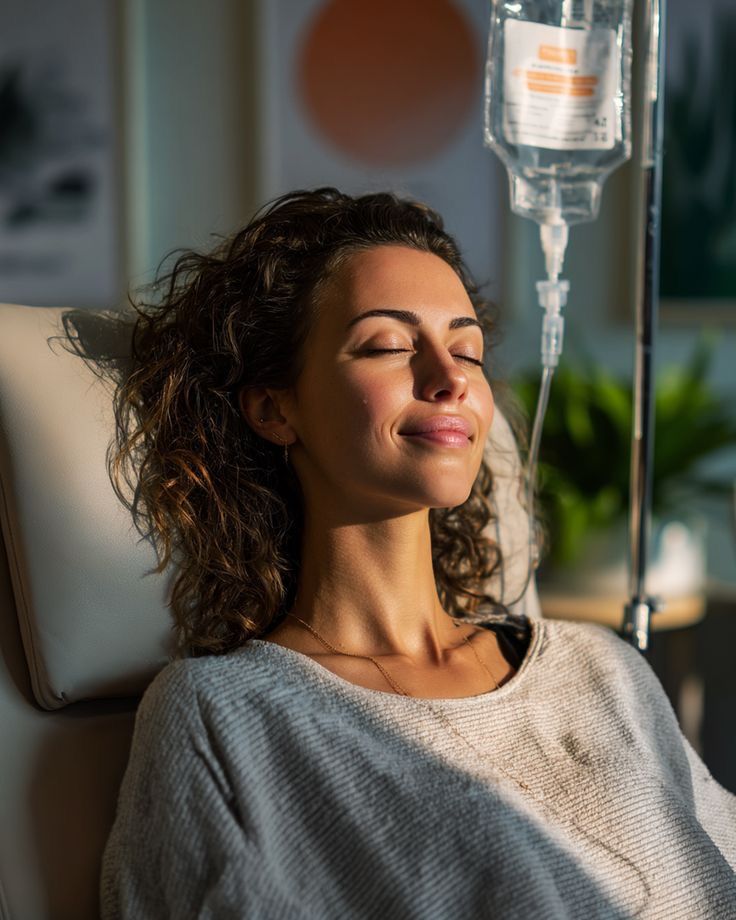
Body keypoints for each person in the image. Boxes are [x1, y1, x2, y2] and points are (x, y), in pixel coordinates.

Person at [98, 188, 736, 919]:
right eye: (387, 346)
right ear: (275, 407)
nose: (451, 377)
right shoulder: (225, 715)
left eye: (467, 350)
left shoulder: (603, 670)